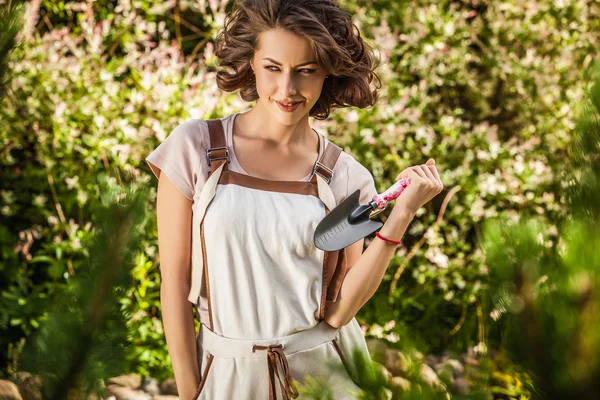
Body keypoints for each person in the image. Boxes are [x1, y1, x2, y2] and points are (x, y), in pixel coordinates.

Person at [146, 0, 443, 398]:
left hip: (326, 379)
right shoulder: (194, 149)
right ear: (250, 63)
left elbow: (339, 311)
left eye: (306, 71)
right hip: (227, 379)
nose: (287, 89)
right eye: (273, 68)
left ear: (327, 75)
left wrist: (401, 214)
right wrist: (189, 393)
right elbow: (175, 284)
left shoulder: (344, 176)